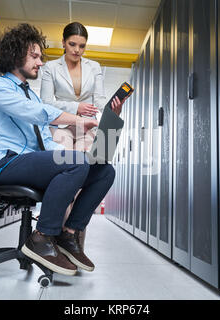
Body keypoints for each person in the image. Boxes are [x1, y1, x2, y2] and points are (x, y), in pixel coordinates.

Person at [0, 24, 121, 276]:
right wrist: (77, 120)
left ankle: (69, 234)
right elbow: (36, 112)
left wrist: (87, 159)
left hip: (30, 162)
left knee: (104, 171)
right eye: (34, 56)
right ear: (15, 55)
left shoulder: (31, 96)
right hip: (5, 164)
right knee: (76, 162)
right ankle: (42, 236)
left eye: (40, 57)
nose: (40, 63)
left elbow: (46, 141)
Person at [40, 22, 125, 248]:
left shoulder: (94, 67)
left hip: (87, 127)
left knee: (85, 179)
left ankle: (74, 243)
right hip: (62, 126)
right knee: (66, 174)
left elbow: (98, 102)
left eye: (82, 46)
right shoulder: (50, 68)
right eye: (72, 44)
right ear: (64, 43)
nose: (77, 50)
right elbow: (47, 103)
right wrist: (75, 108)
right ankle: (52, 241)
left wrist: (113, 109)